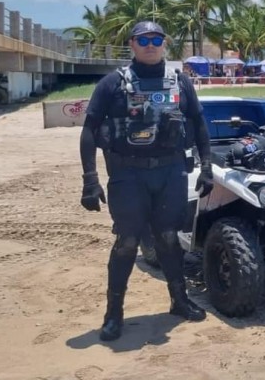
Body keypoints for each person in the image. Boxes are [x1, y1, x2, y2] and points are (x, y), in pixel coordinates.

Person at [79, 21, 215, 341]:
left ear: (165, 44)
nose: (150, 44)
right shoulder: (112, 84)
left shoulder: (181, 82)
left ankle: (179, 300)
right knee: (127, 242)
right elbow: (88, 130)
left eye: (156, 39)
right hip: (128, 174)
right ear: (132, 44)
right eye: (143, 39)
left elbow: (198, 122)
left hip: (170, 173)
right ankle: (114, 314)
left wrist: (206, 166)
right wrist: (89, 179)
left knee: (169, 237)